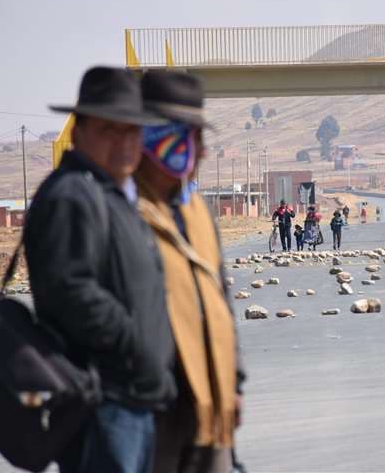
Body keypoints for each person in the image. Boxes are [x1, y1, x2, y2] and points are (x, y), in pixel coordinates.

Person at [24, 66, 173, 473]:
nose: (124, 143)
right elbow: (70, 290)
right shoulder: (72, 196)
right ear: (79, 132)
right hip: (102, 404)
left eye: (131, 131)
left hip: (132, 400)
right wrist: (136, 345)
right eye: (110, 130)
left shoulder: (113, 195)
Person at [136, 71, 245, 473]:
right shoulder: (120, 210)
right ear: (155, 138)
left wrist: (234, 382)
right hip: (154, 412)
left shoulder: (196, 209)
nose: (199, 152)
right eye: (189, 138)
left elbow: (220, 300)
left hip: (209, 402)